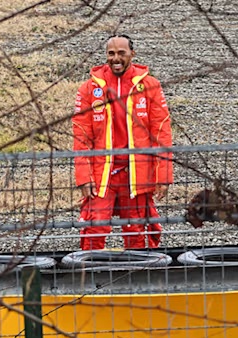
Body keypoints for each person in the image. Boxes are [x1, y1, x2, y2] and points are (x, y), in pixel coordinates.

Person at [72, 34, 173, 251]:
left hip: (137, 171)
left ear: (132, 54)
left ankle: (136, 277)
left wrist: (163, 176)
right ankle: (89, 276)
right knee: (95, 227)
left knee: (136, 229)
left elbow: (162, 132)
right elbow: (81, 136)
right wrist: (83, 176)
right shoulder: (88, 89)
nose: (115, 58)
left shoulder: (150, 86)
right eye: (111, 53)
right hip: (101, 172)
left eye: (121, 53)